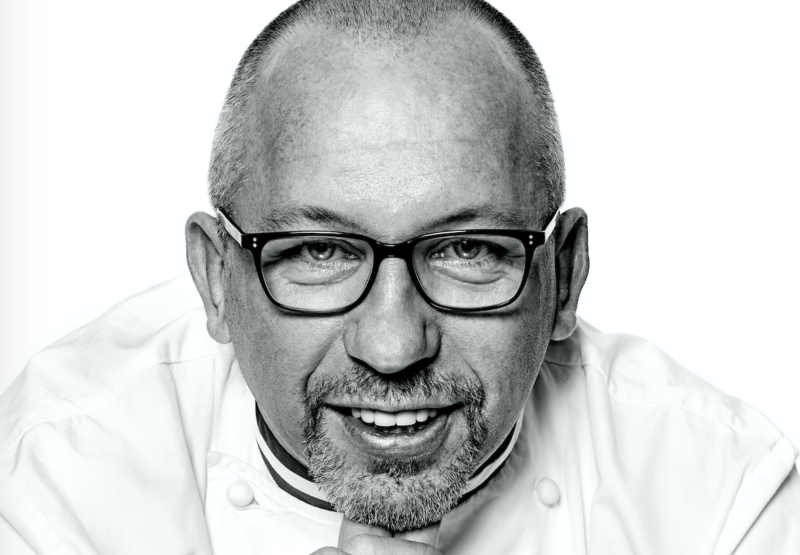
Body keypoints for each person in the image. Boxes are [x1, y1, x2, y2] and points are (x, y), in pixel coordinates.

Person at [1, 0, 798, 553]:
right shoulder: (59, 473)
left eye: (468, 249)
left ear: (562, 276)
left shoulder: (722, 492)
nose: (392, 347)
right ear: (216, 279)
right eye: (320, 252)